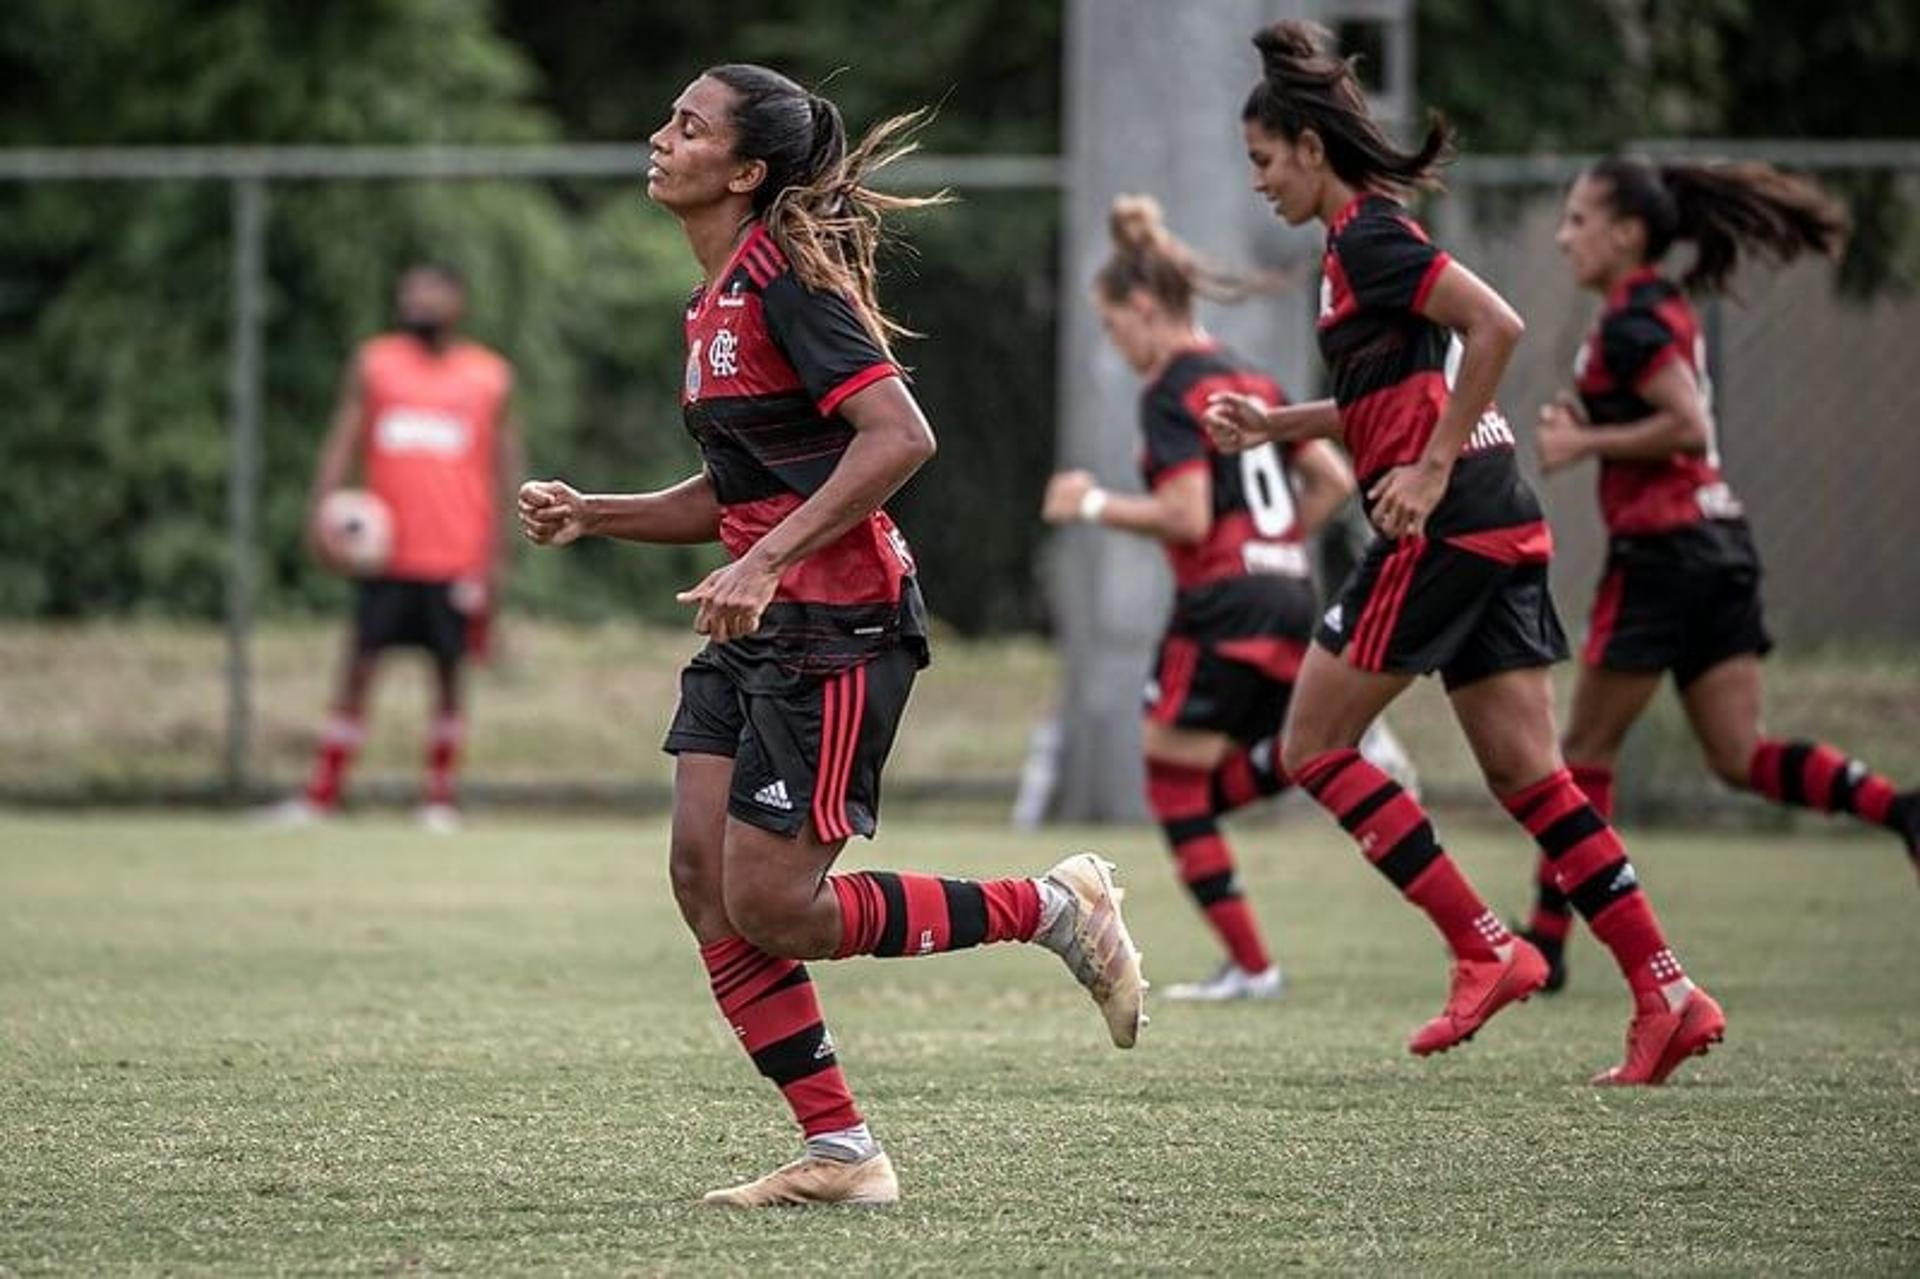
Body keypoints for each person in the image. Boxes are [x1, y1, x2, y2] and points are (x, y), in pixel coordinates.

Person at [517, 64, 1144, 1208]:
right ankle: (844, 1153)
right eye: (667, 119)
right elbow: (736, 487)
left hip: (838, 625)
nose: (660, 138)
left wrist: (763, 561)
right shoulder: (712, 301)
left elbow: (899, 437)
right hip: (760, 621)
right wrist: (597, 512)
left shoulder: (790, 287)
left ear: (746, 173)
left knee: (776, 906)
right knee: (702, 877)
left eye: (687, 127)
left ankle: (1055, 906)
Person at [1203, 21, 1722, 1084]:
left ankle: (1484, 946)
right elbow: (1390, 397)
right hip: (1495, 514)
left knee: (1312, 745)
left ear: (1308, 146)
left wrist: (1430, 473)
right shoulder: (1354, 250)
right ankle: (1666, 991)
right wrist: (1276, 427)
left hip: (1445, 519)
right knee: (1532, 774)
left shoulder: (1369, 238)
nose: (1258, 183)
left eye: (1263, 160)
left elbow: (1498, 327)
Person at [1517, 156, 1916, 989]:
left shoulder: (1632, 318)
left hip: (1663, 556)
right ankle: (1900, 809)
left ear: (1627, 233)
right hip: (1720, 544)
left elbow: (1689, 427)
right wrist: (1592, 421)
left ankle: (1546, 946)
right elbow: (1663, 416)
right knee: (1738, 755)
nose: (1563, 237)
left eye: (1578, 220)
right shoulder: (1652, 309)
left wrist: (1584, 442)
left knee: (1580, 751)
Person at [1043, 194, 1356, 1001]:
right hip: (1289, 593)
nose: (1117, 346)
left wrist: (1088, 503)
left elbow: (1186, 515)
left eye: (1113, 328)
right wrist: (1274, 547)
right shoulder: (1249, 376)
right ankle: (1337, 750)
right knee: (1218, 781)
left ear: (1143, 308)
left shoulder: (1171, 388)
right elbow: (1332, 478)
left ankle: (1253, 967)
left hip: (1220, 607)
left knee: (1174, 789)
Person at [278, 262, 519, 832]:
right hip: (386, 553)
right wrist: (321, 509)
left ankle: (438, 799)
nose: (420, 303)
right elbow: (343, 438)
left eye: (433, 294)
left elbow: (505, 465)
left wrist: (500, 554)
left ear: (457, 302)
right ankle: (321, 794)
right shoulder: (376, 364)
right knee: (358, 668)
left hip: (457, 553)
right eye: (410, 293)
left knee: (449, 675)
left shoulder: (488, 376)